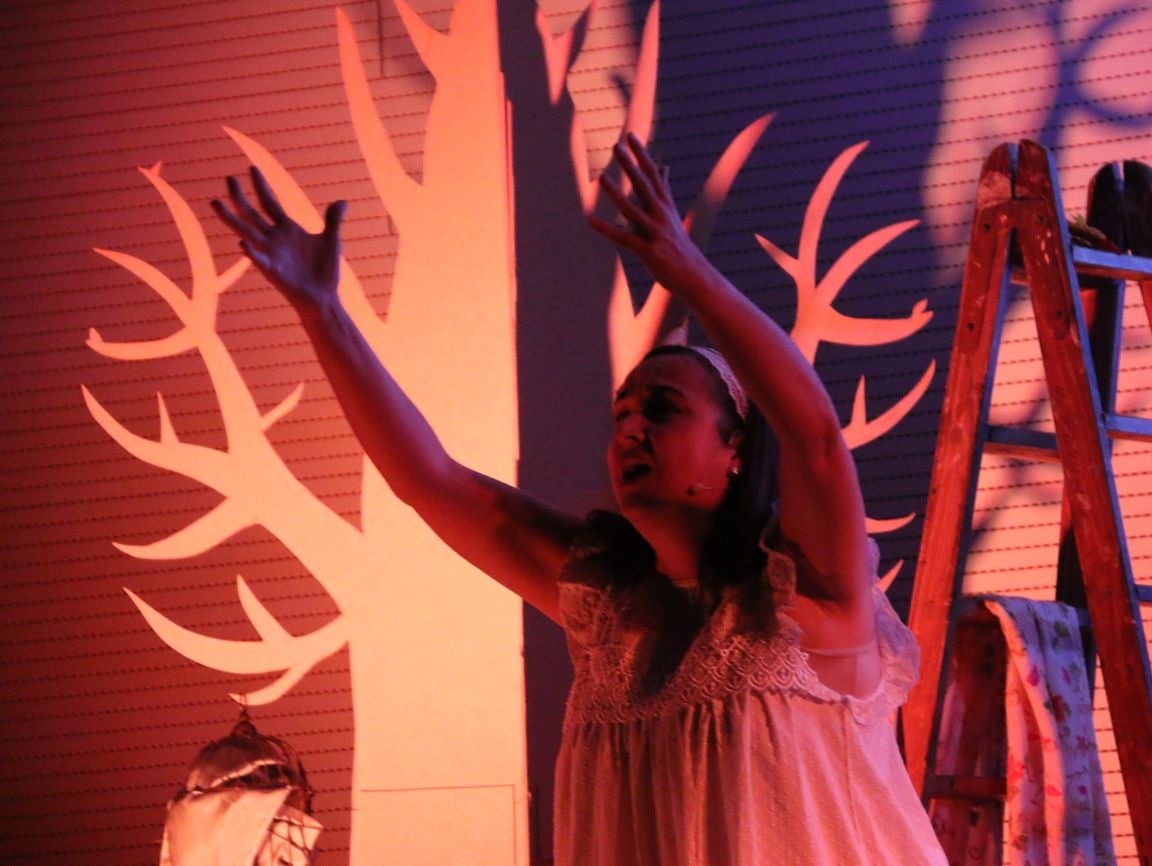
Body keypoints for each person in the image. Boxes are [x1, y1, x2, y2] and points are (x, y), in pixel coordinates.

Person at [214, 133, 946, 865]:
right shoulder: (608, 616)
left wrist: (691, 276)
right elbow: (428, 480)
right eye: (622, 414)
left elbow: (815, 436)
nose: (630, 427)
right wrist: (322, 313)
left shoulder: (811, 597)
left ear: (735, 450)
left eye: (661, 409)